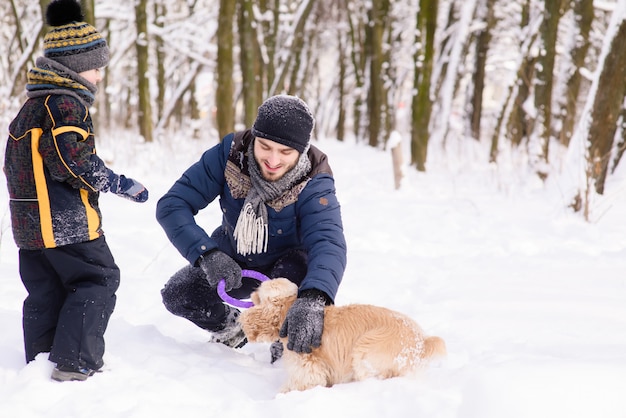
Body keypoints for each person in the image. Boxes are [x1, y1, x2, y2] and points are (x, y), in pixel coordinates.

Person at [3, 0, 149, 382]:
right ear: (74, 65)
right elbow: (73, 160)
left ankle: (41, 358)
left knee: (45, 289)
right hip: (64, 221)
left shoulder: (31, 107)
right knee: (98, 278)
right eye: (97, 67)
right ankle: (75, 361)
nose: (100, 77)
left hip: (31, 227)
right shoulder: (66, 105)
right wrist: (117, 183)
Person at [157, 95, 347, 357]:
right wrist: (207, 254)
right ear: (254, 136)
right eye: (265, 146)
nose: (273, 159)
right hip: (233, 258)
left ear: (301, 150)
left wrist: (315, 296)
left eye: (285, 152)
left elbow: (328, 241)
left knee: (297, 307)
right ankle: (234, 329)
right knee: (179, 293)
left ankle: (286, 350)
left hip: (289, 267)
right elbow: (173, 204)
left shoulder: (314, 177)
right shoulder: (231, 154)